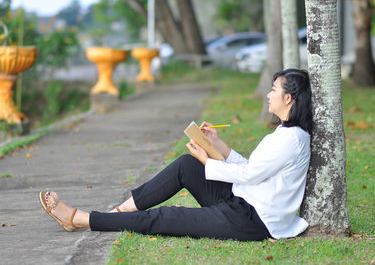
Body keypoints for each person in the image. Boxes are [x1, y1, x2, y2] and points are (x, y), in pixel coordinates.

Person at [39, 68, 312, 241]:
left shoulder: (293, 139)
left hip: (252, 219)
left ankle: (79, 218)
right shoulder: (285, 134)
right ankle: (118, 212)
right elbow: (254, 169)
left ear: (288, 98)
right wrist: (218, 145)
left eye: (274, 89)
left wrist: (209, 160)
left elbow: (250, 175)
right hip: (242, 199)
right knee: (186, 165)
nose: (268, 94)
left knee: (165, 217)